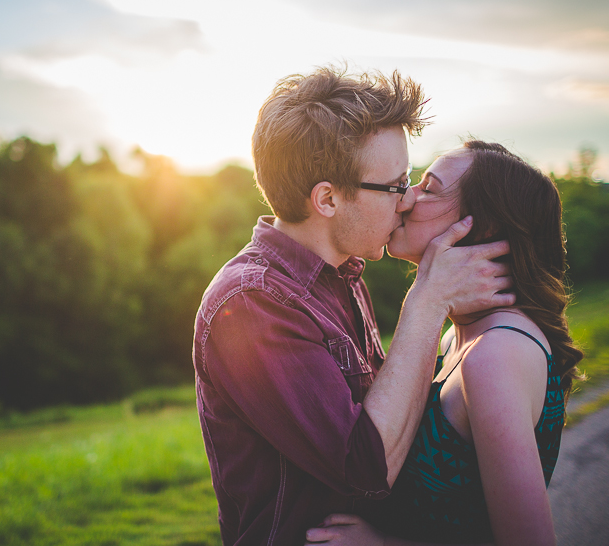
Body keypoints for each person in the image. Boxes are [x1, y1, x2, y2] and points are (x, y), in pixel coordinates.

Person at [193, 67, 515, 546]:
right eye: (395, 185)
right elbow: (367, 469)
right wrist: (427, 302)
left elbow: (392, 413)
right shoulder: (254, 303)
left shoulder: (341, 273)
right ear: (327, 199)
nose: (407, 201)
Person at [304, 141, 585, 546]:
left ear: (481, 226)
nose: (405, 199)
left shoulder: (494, 356)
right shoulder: (460, 334)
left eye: (428, 188)